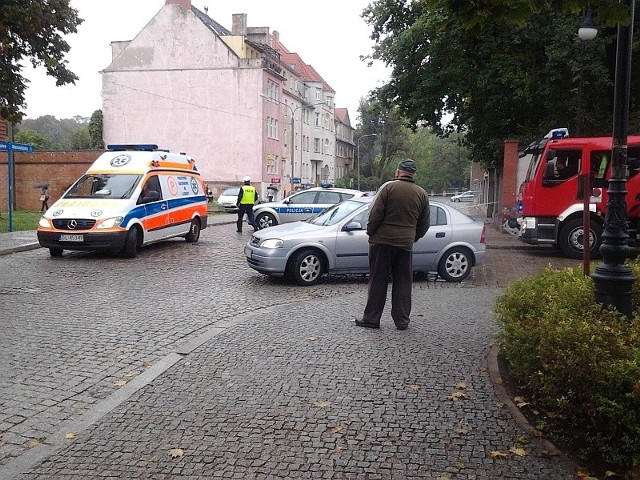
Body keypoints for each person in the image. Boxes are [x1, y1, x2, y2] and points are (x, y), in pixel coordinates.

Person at [356, 159, 430, 331]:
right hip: (405, 244)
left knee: (378, 280)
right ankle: (402, 320)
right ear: (414, 174)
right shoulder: (421, 193)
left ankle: (372, 318)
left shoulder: (388, 188)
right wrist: (413, 237)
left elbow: (375, 213)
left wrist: (371, 232)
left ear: (398, 172)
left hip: (382, 241)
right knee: (403, 282)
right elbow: (425, 223)